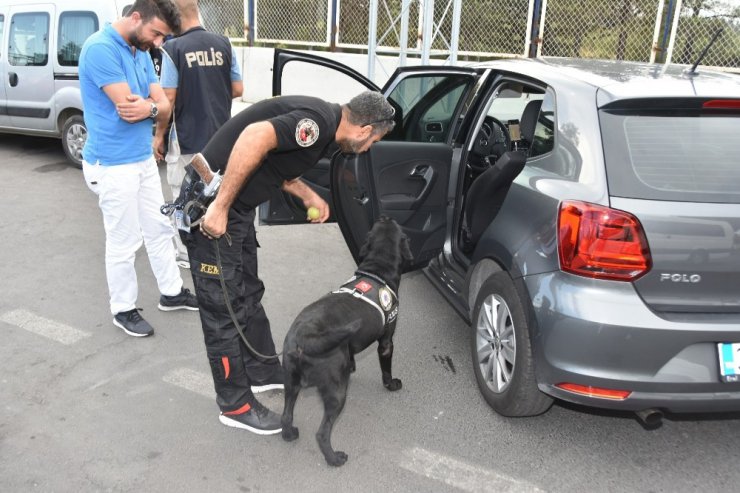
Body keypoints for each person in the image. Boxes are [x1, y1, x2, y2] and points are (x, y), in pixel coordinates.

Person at [179, 91, 395, 435]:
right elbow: (255, 138)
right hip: (212, 201)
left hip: (236, 207)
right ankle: (234, 404)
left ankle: (263, 370)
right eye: (375, 141)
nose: (369, 149)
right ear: (364, 129)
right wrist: (219, 207)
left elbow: (275, 160)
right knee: (223, 310)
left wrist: (307, 193)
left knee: (247, 291)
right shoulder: (320, 124)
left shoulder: (327, 130)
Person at [79, 0, 198, 338]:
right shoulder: (100, 49)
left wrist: (149, 106)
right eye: (156, 33)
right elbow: (127, 108)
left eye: (163, 36)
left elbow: (162, 106)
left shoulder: (141, 51)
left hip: (142, 159)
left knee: (159, 228)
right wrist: (152, 106)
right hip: (112, 163)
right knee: (125, 239)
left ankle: (172, 293)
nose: (158, 43)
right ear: (135, 17)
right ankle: (123, 309)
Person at [153, 0, 243, 270]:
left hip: (186, 140)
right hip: (220, 138)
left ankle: (184, 252)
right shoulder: (224, 43)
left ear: (176, 17)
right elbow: (237, 88)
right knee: (215, 191)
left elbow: (167, 98)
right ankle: (215, 244)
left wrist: (159, 136)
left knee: (182, 194)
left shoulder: (173, 48)